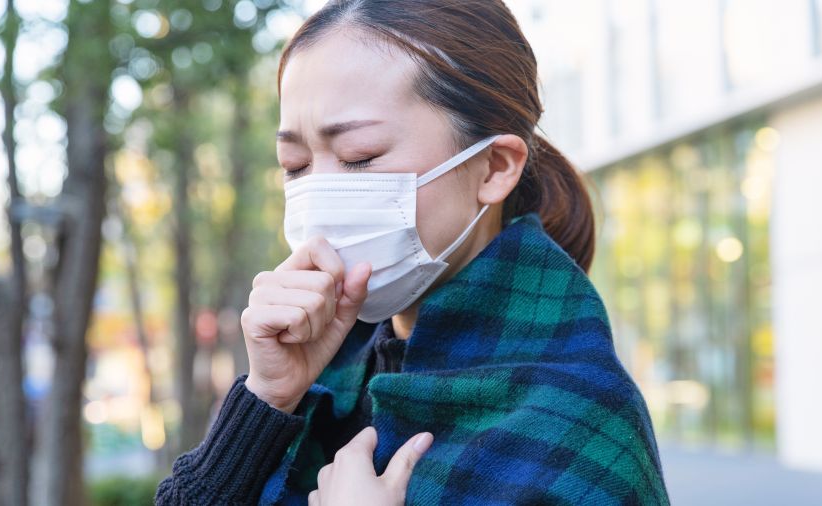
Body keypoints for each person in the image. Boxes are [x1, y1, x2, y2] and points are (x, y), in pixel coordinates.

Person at [156, 0, 670, 504]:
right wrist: (266, 399)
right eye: (295, 164)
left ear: (493, 167)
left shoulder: (578, 420)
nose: (320, 197)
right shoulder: (317, 375)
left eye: (360, 158)